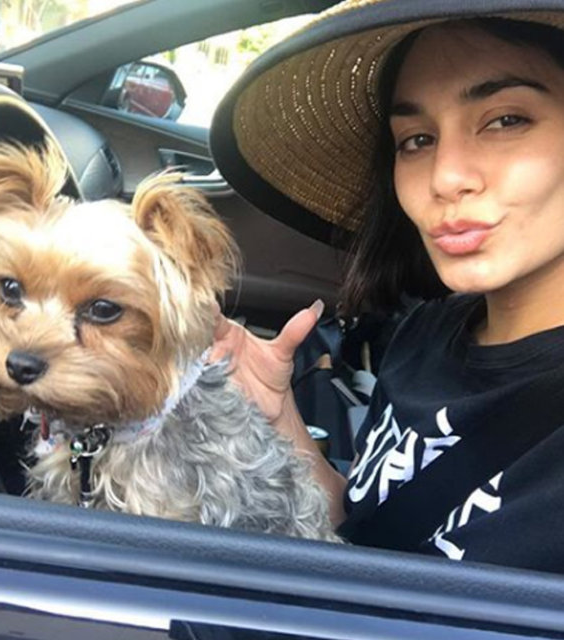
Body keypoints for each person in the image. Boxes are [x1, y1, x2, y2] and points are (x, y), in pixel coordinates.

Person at [209, 0, 564, 573]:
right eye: (416, 140)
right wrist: (279, 422)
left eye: (505, 120)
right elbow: (366, 543)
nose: (446, 177)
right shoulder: (428, 331)